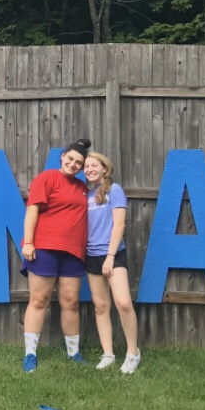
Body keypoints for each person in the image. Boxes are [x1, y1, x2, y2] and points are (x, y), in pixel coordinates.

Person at [20, 138, 91, 373]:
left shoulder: (83, 188)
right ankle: (30, 354)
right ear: (62, 156)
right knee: (39, 300)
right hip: (44, 248)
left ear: (82, 167)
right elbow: (32, 210)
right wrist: (28, 242)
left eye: (78, 163)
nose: (73, 164)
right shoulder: (46, 178)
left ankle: (74, 353)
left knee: (71, 302)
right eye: (70, 159)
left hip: (73, 252)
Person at [82, 151, 140, 374]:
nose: (89, 169)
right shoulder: (87, 195)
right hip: (91, 256)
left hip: (112, 256)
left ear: (105, 169)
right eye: (86, 167)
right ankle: (108, 354)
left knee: (123, 303)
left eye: (94, 165)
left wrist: (110, 257)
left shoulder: (114, 190)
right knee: (101, 306)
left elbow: (119, 226)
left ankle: (133, 353)